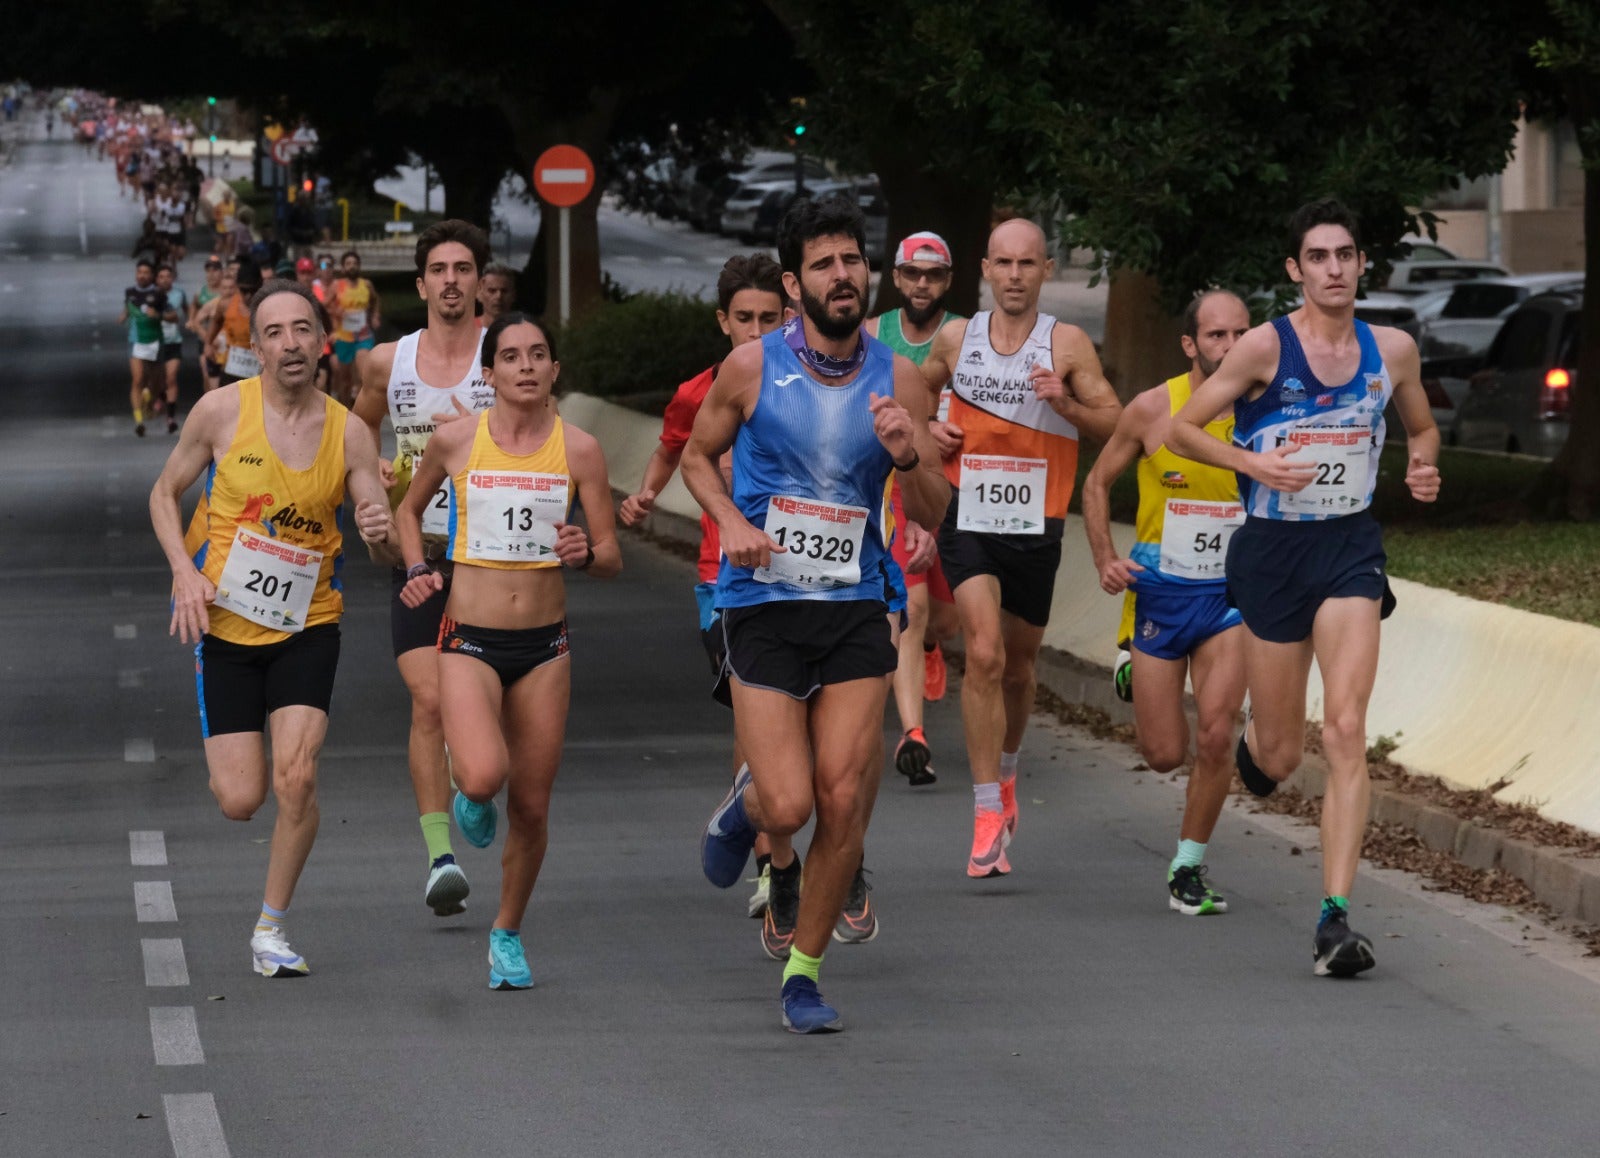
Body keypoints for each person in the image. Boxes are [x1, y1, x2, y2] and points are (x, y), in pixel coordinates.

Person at [684, 195, 949, 1033]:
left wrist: (910, 458)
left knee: (843, 803)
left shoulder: (899, 376)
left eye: (852, 260)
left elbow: (936, 509)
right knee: (788, 805)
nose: (845, 275)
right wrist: (731, 523)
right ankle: (744, 805)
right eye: (826, 264)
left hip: (854, 609)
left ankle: (804, 970)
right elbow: (696, 457)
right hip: (763, 603)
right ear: (795, 284)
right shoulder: (753, 367)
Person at [1168, 199, 1441, 976]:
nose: (1333, 268)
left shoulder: (1392, 350)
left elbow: (1421, 427)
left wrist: (1423, 464)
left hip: (1350, 547)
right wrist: (1254, 465)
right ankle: (1260, 747)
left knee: (1347, 728)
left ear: (1361, 265)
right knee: (1283, 754)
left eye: (1345, 255)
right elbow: (1184, 428)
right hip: (1275, 553)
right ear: (1295, 269)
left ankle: (1333, 920)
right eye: (1317, 256)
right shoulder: (1261, 347)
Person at [148, 280, 393, 978]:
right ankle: (238, 775)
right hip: (224, 625)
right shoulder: (220, 412)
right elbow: (163, 493)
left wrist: (377, 528)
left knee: (297, 778)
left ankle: (271, 927)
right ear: (254, 347)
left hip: (308, 623)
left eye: (302, 330)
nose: (290, 343)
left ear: (323, 342)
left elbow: (376, 520)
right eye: (275, 332)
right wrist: (181, 571)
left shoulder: (350, 430)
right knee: (240, 799)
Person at [395, 314, 621, 989]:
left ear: (555, 371)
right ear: (488, 374)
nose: (526, 366)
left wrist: (587, 553)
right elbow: (409, 511)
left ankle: (507, 933)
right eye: (511, 357)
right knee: (485, 776)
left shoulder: (580, 450)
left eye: (539, 356)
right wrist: (415, 570)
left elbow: (609, 553)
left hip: (545, 649)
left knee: (531, 805)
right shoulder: (457, 441)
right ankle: (471, 791)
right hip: (468, 640)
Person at [619, 253, 810, 955]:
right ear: (722, 322)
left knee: (802, 733)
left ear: (788, 317)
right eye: (744, 319)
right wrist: (644, 492)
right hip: (723, 582)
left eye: (769, 317)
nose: (756, 329)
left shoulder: (808, 383)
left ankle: (758, 820)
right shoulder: (699, 391)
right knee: (753, 712)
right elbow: (674, 448)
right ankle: (774, 858)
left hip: (809, 580)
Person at [920, 218, 1122, 877]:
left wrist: (1065, 405)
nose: (1013, 275)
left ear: (1044, 270)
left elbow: (1115, 423)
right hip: (971, 515)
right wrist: (931, 429)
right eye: (1002, 263)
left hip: (1037, 524)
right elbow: (918, 392)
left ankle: (1007, 774)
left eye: (1026, 264)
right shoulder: (956, 338)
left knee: (1018, 666)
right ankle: (983, 812)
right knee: (981, 653)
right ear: (985, 268)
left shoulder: (1066, 343)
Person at [1081, 289, 1253, 916]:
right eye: (1215, 336)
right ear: (1190, 344)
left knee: (1214, 735)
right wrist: (1104, 557)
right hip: (1159, 594)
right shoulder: (1154, 408)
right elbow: (1097, 483)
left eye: (1240, 334)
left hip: (1231, 601)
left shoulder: (1264, 412)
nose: (1229, 347)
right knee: (1163, 755)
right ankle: (1133, 664)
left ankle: (1188, 868)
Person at [353, 219, 498, 916]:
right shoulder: (389, 361)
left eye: (462, 268)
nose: (450, 280)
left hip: (494, 561)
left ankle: (476, 785)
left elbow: (545, 436)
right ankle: (440, 857)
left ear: (479, 281)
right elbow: (356, 431)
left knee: (489, 708)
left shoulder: (506, 359)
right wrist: (371, 476)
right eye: (438, 269)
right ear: (420, 284)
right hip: (418, 552)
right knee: (431, 700)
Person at [865, 231, 964, 788]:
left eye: (933, 275)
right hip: (897, 487)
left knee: (943, 622)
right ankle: (913, 734)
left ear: (947, 281)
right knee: (914, 602)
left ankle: (928, 646)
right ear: (897, 278)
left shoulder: (964, 337)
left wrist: (955, 432)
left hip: (956, 488)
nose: (921, 284)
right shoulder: (871, 336)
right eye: (912, 274)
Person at [121, 259, 170, 437]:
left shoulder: (159, 294)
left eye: (146, 272)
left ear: (152, 276)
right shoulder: (130, 292)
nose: (142, 275)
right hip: (136, 341)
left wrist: (157, 315)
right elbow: (128, 309)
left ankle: (149, 400)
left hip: (155, 341)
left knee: (156, 383)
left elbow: (172, 316)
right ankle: (139, 420)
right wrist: (123, 316)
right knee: (138, 379)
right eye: (139, 272)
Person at [329, 250, 380, 405]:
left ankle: (359, 405)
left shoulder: (366, 284)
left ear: (359, 266)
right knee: (344, 379)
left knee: (363, 372)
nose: (352, 266)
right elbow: (326, 305)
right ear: (343, 268)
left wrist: (375, 315)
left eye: (355, 263)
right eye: (348, 264)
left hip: (363, 335)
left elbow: (375, 300)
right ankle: (345, 410)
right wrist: (335, 312)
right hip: (344, 336)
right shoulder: (337, 285)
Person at [206, 259, 264, 387]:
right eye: (244, 290)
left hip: (260, 370)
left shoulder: (268, 307)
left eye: (253, 290)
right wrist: (208, 343)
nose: (248, 296)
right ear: (237, 286)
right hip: (231, 368)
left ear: (260, 285)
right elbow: (216, 322)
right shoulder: (226, 304)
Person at [154, 263, 190, 434]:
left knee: (171, 378)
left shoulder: (179, 293)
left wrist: (190, 320)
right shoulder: (151, 295)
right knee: (159, 379)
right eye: (161, 277)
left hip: (174, 341)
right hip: (154, 342)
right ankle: (161, 395)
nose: (165, 280)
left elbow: (186, 309)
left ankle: (170, 417)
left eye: (168, 276)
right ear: (156, 279)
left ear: (173, 278)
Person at [478, 262, 517, 327]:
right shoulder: (464, 331)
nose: (499, 296)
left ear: (513, 295)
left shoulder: (523, 333)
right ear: (479, 294)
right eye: (492, 291)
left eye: (504, 291)